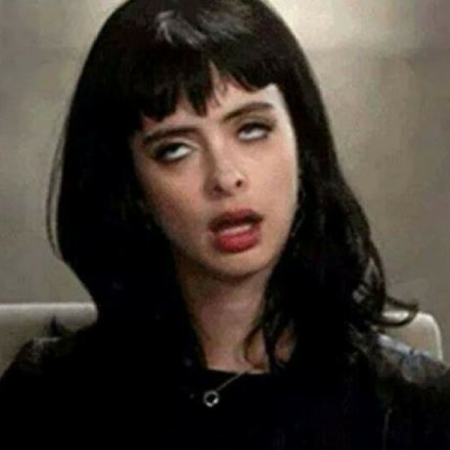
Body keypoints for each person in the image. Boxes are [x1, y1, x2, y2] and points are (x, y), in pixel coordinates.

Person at [0, 0, 449, 448]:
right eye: (175, 149)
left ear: (303, 143)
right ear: (131, 186)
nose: (226, 176)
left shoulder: (413, 406)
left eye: (251, 129)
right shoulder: (48, 397)